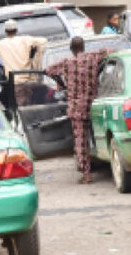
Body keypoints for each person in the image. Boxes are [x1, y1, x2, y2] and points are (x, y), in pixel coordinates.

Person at [45, 36, 112, 183]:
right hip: (94, 105)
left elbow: (48, 70)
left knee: (81, 141)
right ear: (83, 47)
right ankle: (108, 165)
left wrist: (62, 83)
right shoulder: (93, 58)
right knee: (100, 136)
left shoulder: (66, 63)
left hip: (76, 107)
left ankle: (86, 174)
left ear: (71, 49)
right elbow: (109, 52)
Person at [0, 19, 48, 105]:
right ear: (16, 30)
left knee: (20, 108)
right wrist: (35, 57)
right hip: (29, 81)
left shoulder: (1, 44)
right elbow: (43, 41)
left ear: (5, 31)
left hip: (15, 82)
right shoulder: (25, 40)